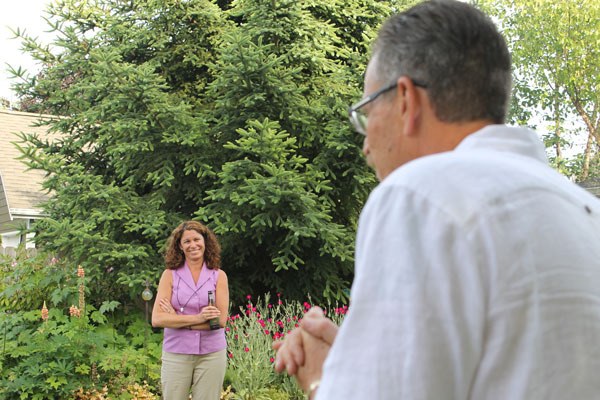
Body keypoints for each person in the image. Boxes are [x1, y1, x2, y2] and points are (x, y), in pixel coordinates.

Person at [273, 1, 600, 399]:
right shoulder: (583, 210)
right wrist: (363, 362)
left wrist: (321, 380)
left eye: (366, 111)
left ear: (406, 99)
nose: (367, 146)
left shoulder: (418, 195)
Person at [152, 220, 229, 399]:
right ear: (179, 246)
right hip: (177, 352)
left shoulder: (219, 276)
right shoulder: (169, 275)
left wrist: (177, 319)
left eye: (197, 239)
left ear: (205, 242)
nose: (193, 245)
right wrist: (199, 318)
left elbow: (220, 322)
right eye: (187, 241)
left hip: (211, 354)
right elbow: (157, 319)